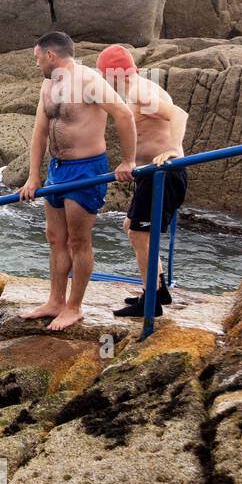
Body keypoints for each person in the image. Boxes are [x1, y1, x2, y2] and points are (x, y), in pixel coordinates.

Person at [18, 31, 137, 331]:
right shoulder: (48, 84)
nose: (36, 64)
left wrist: (129, 161)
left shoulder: (88, 80)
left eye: (36, 58)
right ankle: (55, 301)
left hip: (86, 169)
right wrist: (33, 176)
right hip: (57, 170)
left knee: (78, 240)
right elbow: (39, 132)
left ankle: (74, 307)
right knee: (56, 238)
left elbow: (123, 114)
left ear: (50, 55)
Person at [96, 45, 189, 318]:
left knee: (139, 234)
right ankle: (158, 290)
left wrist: (172, 148)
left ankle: (151, 303)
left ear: (111, 73)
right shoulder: (137, 88)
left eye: (103, 75)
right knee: (132, 227)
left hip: (166, 174)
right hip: (151, 174)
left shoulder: (139, 91)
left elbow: (178, 114)